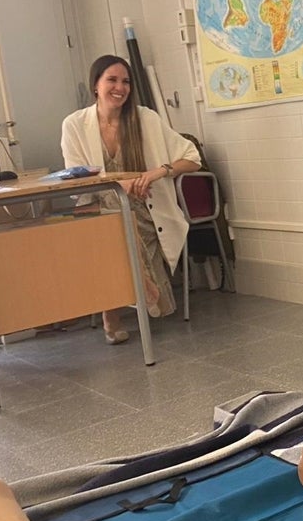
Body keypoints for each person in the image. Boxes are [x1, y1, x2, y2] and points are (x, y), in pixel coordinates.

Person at [61, 55, 201, 344]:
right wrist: (117, 185)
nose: (120, 87)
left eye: (125, 81)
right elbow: (75, 178)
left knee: (124, 224)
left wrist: (156, 173)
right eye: (111, 80)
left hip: (145, 209)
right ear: (96, 85)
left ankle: (115, 308)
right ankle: (136, 291)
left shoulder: (146, 118)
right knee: (113, 224)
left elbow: (192, 158)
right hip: (96, 207)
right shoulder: (74, 124)